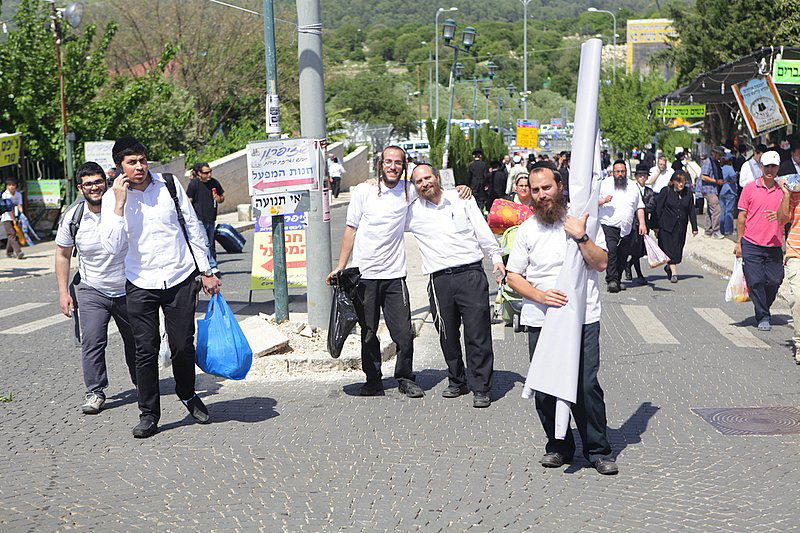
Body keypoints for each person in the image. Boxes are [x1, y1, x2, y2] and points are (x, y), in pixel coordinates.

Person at [100, 137, 221, 438]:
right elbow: (112, 247)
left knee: (182, 344)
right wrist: (118, 204)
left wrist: (206, 270)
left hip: (179, 276)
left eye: (142, 160)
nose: (139, 167)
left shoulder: (169, 184)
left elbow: (192, 227)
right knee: (146, 349)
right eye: (132, 162)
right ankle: (149, 413)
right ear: (119, 167)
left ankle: (188, 393)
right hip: (140, 281)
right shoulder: (110, 199)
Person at [505, 166, 617, 476]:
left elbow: (602, 263)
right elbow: (513, 276)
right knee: (544, 386)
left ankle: (598, 449)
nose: (541, 195)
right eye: (536, 189)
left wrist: (580, 237)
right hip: (541, 318)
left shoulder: (586, 222)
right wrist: (539, 296)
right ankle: (558, 446)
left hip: (583, 317)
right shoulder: (527, 229)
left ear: (560, 187)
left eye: (546, 188)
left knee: (586, 385)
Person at [406, 163, 505, 408]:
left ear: (438, 178)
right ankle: (457, 379)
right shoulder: (412, 211)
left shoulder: (461, 199)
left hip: (470, 274)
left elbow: (482, 230)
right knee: (447, 334)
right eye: (418, 181)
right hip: (439, 280)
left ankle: (481, 386)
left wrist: (495, 257)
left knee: (477, 333)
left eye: (427, 178)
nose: (424, 183)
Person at [55, 162, 137, 414]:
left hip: (129, 287)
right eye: (88, 183)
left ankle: (143, 384)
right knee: (92, 341)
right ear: (80, 188)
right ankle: (95, 391)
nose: (94, 187)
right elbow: (62, 255)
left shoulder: (126, 206)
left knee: (136, 341)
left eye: (98, 181)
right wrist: (63, 292)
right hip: (92, 289)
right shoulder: (73, 216)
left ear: (107, 181)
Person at [735, 151, 785, 331]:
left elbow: (788, 216)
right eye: (767, 166)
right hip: (751, 243)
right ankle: (763, 315)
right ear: (761, 167)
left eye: (773, 166)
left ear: (778, 167)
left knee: (775, 280)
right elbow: (741, 217)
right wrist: (739, 242)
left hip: (774, 245)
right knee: (755, 281)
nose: (770, 170)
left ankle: (763, 306)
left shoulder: (783, 190)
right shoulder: (749, 188)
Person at [598, 160, 646, 293]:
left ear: (626, 172)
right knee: (612, 251)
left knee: (623, 255)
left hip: (627, 227)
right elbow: (592, 202)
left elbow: (639, 206)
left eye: (622, 171)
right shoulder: (604, 184)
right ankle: (611, 280)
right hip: (609, 225)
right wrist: (603, 200)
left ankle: (617, 280)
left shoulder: (632, 186)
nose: (620, 174)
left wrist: (642, 223)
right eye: (617, 171)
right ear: (612, 172)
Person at [654, 171, 698, 283]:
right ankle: (674, 272)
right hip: (666, 226)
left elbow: (691, 210)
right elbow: (658, 208)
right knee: (668, 249)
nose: (681, 184)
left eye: (683, 182)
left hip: (680, 227)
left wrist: (694, 227)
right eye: (678, 181)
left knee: (678, 250)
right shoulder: (666, 191)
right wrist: (655, 226)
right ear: (673, 181)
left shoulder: (688, 193)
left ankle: (669, 266)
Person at [776, 173, 800, 364]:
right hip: (796, 252)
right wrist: (785, 194)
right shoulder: (795, 190)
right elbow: (782, 220)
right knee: (798, 297)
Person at [186, 162, 224, 275]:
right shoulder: (194, 184)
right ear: (198, 173)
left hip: (211, 218)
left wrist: (218, 198)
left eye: (210, 171)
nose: (209, 175)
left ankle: (208, 265)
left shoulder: (214, 183)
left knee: (211, 243)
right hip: (198, 219)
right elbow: (189, 201)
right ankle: (212, 266)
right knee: (205, 242)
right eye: (206, 173)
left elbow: (222, 198)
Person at [624, 163, 656, 284]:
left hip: (643, 223)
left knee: (641, 250)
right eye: (640, 175)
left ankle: (629, 265)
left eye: (644, 175)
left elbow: (652, 206)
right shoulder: (631, 189)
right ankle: (638, 273)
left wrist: (640, 207)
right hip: (631, 223)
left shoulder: (649, 191)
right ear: (636, 176)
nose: (642, 177)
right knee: (633, 249)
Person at [700, 147, 725, 239]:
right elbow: (703, 177)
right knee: (716, 209)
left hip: (713, 189)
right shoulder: (708, 162)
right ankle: (716, 231)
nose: (720, 157)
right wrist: (716, 181)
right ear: (714, 153)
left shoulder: (715, 163)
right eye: (719, 155)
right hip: (709, 189)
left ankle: (708, 231)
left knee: (710, 211)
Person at [2, 177, 25, 259]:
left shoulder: (18, 194)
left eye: (13, 185)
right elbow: (8, 209)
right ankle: (19, 252)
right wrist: (13, 220)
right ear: (7, 186)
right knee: (12, 234)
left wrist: (21, 215)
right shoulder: (5, 195)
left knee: (12, 235)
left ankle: (9, 252)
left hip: (16, 216)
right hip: (6, 217)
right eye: (9, 185)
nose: (11, 187)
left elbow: (19, 205)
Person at [719, 153, 738, 236]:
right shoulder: (730, 168)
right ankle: (729, 230)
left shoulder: (721, 168)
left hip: (722, 190)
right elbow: (733, 177)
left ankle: (721, 229)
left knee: (722, 210)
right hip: (729, 190)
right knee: (729, 211)